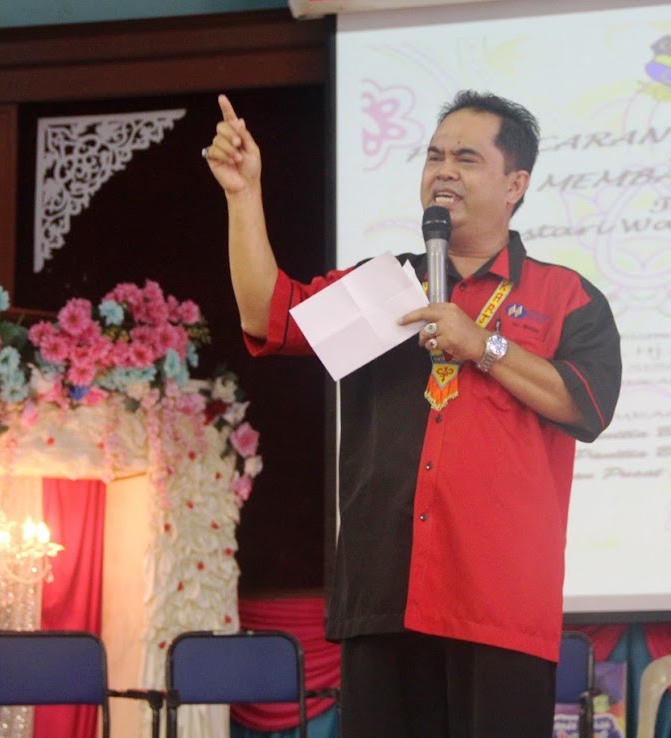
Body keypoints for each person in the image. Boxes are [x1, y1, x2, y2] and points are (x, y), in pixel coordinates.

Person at [202, 90, 622, 738]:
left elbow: (587, 403)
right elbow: (266, 313)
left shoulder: (564, 295)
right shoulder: (387, 287)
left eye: (466, 158)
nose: (443, 171)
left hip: (500, 604)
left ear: (515, 184)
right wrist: (241, 195)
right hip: (386, 595)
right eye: (433, 156)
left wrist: (482, 345)